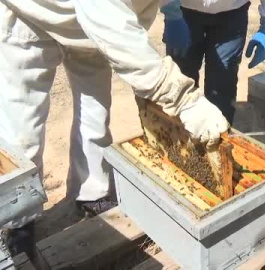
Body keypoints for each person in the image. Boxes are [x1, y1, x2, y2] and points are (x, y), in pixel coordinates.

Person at [0, 0, 229, 259]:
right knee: (23, 128)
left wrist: (172, 10)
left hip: (94, 29)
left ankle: (92, 192)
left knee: (96, 110)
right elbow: (103, 13)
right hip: (33, 15)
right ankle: (18, 221)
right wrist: (183, 100)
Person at [161, 0, 265, 124]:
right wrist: (171, 11)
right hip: (184, 14)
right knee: (181, 79)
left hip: (231, 17)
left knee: (222, 85)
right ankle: (178, 131)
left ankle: (218, 135)